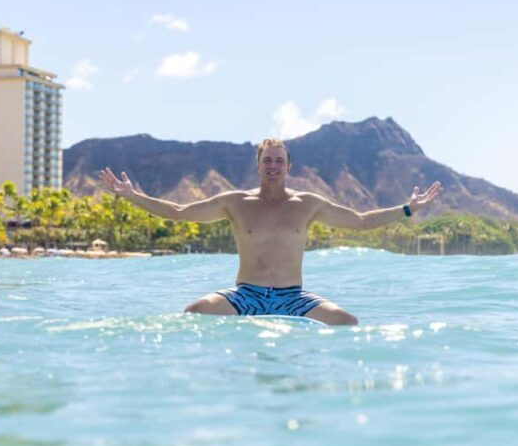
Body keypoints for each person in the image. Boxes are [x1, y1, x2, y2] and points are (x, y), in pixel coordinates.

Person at [100, 139, 441, 325]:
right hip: (246, 294)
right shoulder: (235, 203)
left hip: (292, 297)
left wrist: (408, 208)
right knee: (195, 311)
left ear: (289, 167)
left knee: (346, 322)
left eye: (280, 161)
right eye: (268, 160)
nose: (273, 166)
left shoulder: (308, 204)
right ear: (258, 165)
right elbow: (177, 212)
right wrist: (131, 195)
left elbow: (362, 220)